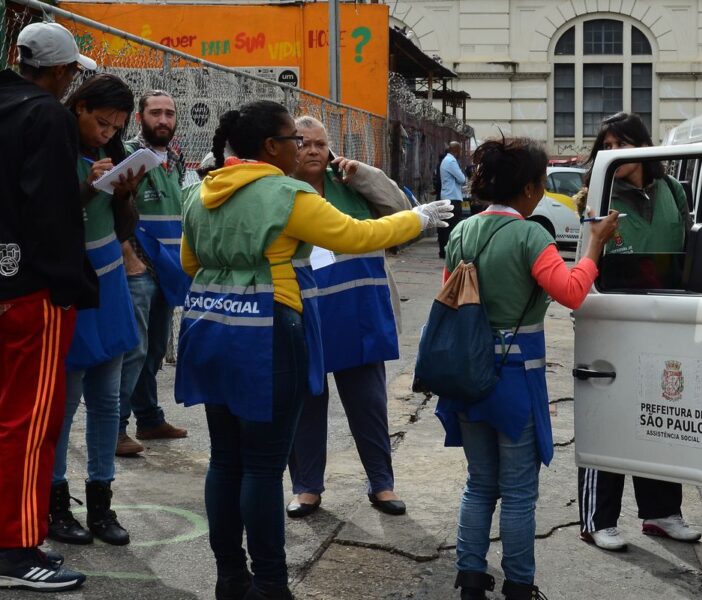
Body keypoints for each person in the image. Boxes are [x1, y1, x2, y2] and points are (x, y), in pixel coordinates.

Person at [176, 100, 453, 600]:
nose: (301, 149)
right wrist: (417, 219)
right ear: (270, 147)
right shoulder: (286, 194)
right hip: (269, 328)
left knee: (225, 461)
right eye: (293, 141)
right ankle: (271, 584)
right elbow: (355, 234)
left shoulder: (200, 193)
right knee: (262, 467)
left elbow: (189, 260)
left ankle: (230, 580)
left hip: (209, 324)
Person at [436, 137, 619, 600]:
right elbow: (571, 291)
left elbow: (453, 297)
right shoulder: (532, 235)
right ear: (533, 188)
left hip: (466, 375)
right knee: (518, 492)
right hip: (515, 378)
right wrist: (593, 246)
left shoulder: (461, 232)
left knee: (479, 484)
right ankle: (519, 585)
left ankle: (471, 579)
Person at [0, 21, 97, 593]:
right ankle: (15, 548)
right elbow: (54, 211)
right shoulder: (46, 115)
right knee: (29, 421)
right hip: (31, 289)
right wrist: (71, 284)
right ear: (59, 72)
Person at [576, 112, 700, 552]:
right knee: (608, 415)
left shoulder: (672, 190)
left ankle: (661, 512)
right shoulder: (598, 193)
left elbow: (689, 243)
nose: (613, 154)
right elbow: (587, 256)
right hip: (613, 318)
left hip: (667, 317)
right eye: (605, 146)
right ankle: (597, 518)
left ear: (644, 147)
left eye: (621, 145)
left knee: (664, 417)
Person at [285, 116, 409, 519]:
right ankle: (306, 488)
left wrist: (365, 176)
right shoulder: (283, 192)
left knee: (369, 405)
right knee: (306, 403)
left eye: (322, 144)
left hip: (358, 315)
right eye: (304, 143)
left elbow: (402, 214)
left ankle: (382, 483)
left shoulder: (350, 186)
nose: (314, 151)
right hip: (306, 314)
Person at [48, 73, 145, 549]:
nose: (107, 133)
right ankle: (56, 504)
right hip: (71, 282)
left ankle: (102, 501)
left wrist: (124, 192)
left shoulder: (113, 155)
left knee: (108, 401)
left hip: (109, 279)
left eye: (116, 127)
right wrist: (87, 189)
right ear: (79, 107)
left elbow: (123, 225)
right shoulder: (51, 147)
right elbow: (49, 219)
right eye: (102, 122)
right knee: (63, 405)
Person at [116, 89, 189, 457]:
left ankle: (149, 418)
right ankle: (115, 427)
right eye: (156, 113)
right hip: (140, 265)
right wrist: (129, 254)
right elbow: (116, 207)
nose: (163, 120)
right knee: (134, 348)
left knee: (156, 348)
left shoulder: (175, 159)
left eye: (169, 114)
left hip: (168, 267)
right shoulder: (130, 156)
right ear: (141, 117)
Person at [438, 141, 467, 258]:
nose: (460, 153)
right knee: (452, 227)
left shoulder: (446, 160)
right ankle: (447, 251)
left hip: (446, 197)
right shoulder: (451, 161)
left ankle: (443, 251)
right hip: (452, 198)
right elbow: (462, 179)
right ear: (456, 150)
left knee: (445, 226)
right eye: (460, 150)